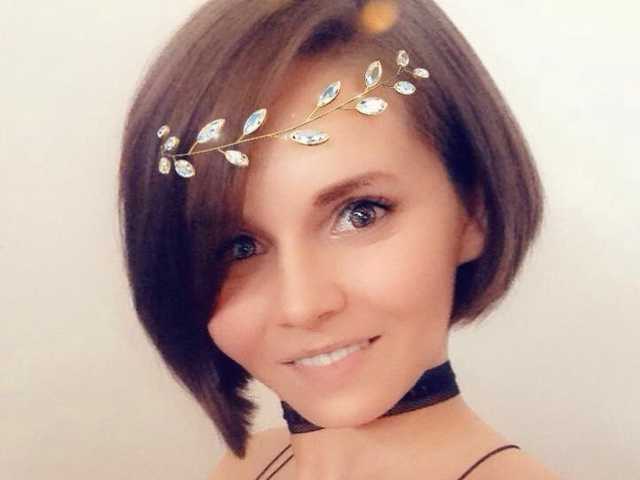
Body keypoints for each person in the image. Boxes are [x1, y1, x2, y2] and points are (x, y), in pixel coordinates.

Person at [118, 1, 560, 478]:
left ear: (475, 212)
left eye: (360, 214)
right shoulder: (245, 467)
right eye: (238, 247)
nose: (302, 306)